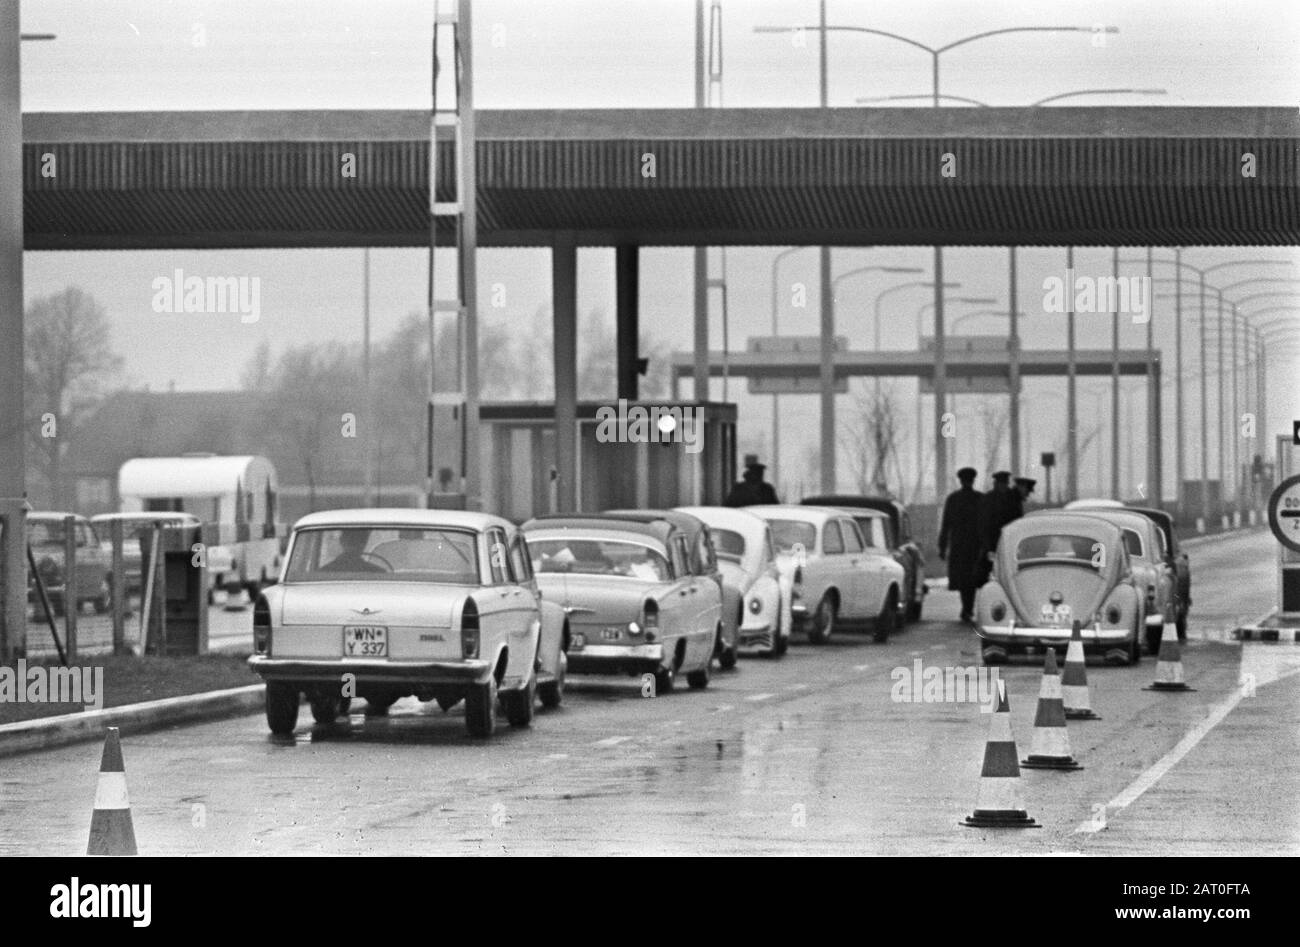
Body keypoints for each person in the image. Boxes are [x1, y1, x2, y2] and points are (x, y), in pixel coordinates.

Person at [938, 467, 984, 624]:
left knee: (964, 579)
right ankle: (967, 609)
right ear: (972, 480)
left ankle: (966, 609)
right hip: (975, 546)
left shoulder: (953, 499)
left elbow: (946, 525)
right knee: (971, 579)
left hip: (959, 546)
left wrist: (942, 546)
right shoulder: (980, 498)